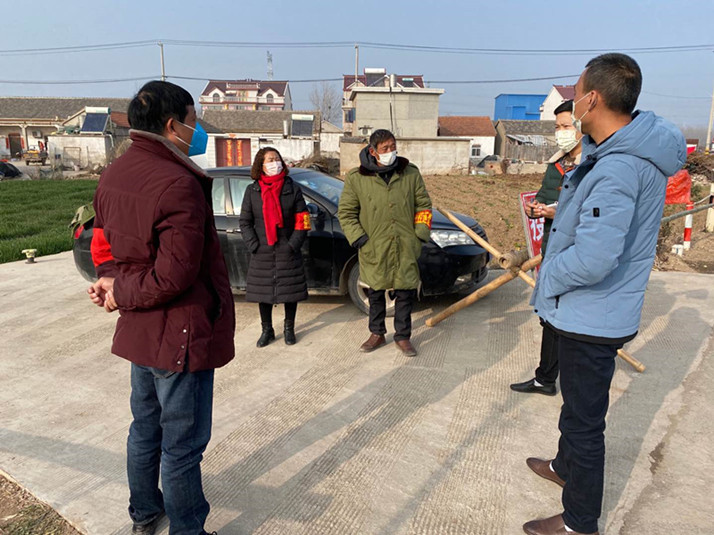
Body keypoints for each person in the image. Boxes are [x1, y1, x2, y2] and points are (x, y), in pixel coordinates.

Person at [523, 54, 685, 535]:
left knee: (585, 423)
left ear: (592, 99)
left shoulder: (618, 168)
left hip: (592, 314)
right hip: (592, 309)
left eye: (575, 94)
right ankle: (564, 467)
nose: (572, 105)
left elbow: (595, 258)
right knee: (576, 407)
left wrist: (549, 277)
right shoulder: (617, 153)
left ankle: (579, 521)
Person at [88, 80, 235, 535]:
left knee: (145, 429)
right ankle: (187, 528)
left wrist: (111, 281)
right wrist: (119, 291)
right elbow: (174, 276)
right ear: (173, 126)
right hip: (178, 335)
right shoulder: (178, 182)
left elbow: (105, 246)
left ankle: (145, 513)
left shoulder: (114, 173)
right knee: (182, 446)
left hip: (142, 333)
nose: (197, 131)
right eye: (193, 121)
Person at [337, 129, 432, 357]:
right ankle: (377, 333)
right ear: (373, 151)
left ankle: (403, 336)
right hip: (374, 245)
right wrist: (360, 239)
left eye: (393, 146)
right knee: (376, 291)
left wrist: (419, 235)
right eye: (385, 148)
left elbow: (423, 205)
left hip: (405, 244)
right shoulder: (357, 178)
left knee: (405, 291)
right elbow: (346, 213)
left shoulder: (409, 173)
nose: (391, 151)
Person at [511, 99, 582, 396]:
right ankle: (545, 379)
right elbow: (542, 197)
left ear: (582, 126)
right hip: (552, 250)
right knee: (548, 315)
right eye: (557, 127)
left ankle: (573, 381)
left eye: (566, 126)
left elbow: (591, 212)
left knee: (572, 319)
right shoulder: (556, 164)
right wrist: (534, 209)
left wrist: (557, 212)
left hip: (577, 253)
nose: (560, 132)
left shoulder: (593, 165)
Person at [239, 147, 310, 347]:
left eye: (277, 158)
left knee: (290, 292)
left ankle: (289, 329)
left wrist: (293, 244)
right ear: (261, 165)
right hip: (262, 250)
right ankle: (267, 330)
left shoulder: (292, 188)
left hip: (287, 249)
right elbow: (245, 222)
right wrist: (254, 245)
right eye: (270, 160)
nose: (274, 163)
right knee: (263, 294)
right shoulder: (252, 191)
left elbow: (303, 219)